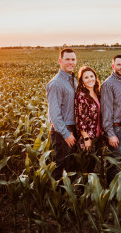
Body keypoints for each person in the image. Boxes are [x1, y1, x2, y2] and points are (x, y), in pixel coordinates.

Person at [46, 48, 78, 180]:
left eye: (73, 59)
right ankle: (59, 198)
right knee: (62, 167)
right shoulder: (56, 83)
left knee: (70, 166)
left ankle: (68, 196)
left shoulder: (72, 79)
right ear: (60, 61)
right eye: (67, 59)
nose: (71, 62)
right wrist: (66, 134)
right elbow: (54, 114)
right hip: (63, 132)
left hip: (71, 129)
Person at [101, 55, 121, 181]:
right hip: (116, 130)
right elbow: (106, 112)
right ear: (113, 66)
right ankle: (112, 195)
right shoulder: (108, 84)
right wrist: (111, 134)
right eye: (118, 64)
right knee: (114, 164)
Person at [74, 66, 103, 172]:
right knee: (88, 168)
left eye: (92, 76)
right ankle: (85, 188)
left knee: (94, 163)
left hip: (98, 136)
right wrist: (86, 138)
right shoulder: (81, 96)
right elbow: (80, 119)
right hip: (89, 138)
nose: (90, 79)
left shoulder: (97, 93)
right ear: (82, 80)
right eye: (86, 77)